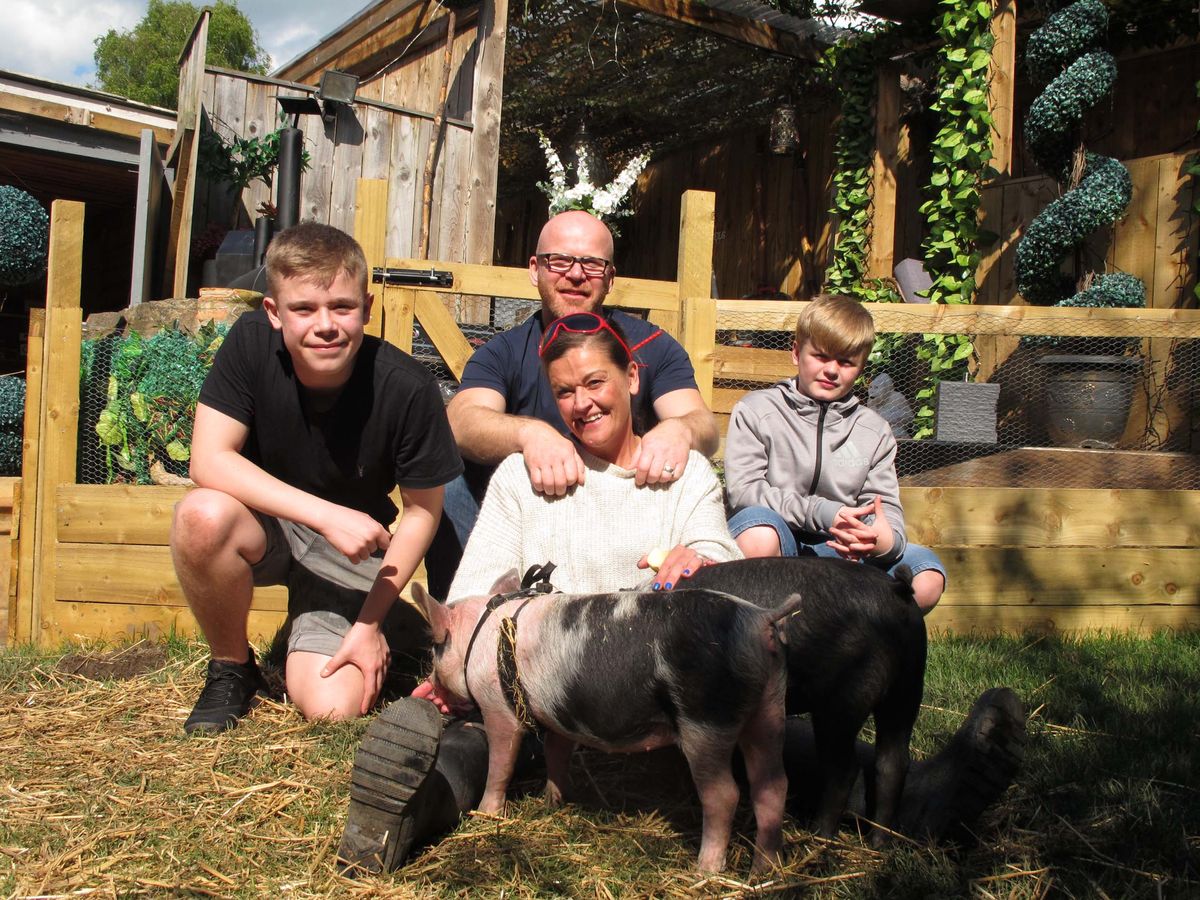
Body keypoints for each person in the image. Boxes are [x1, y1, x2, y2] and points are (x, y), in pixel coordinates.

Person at [338, 312, 1025, 874]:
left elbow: (728, 586)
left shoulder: (684, 474)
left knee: (768, 735)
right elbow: (475, 596)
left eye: (597, 382)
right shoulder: (525, 476)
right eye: (566, 391)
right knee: (481, 733)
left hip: (661, 688)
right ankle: (408, 805)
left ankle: (917, 797)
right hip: (556, 698)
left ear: (634, 378)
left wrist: (698, 556)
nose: (583, 402)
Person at [171, 222, 462, 734]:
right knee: (201, 514)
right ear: (273, 313)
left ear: (367, 309)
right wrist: (327, 515)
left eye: (342, 307)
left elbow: (422, 512)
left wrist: (369, 624)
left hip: (352, 553)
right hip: (271, 525)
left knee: (333, 707)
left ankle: (382, 626)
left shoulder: (408, 388)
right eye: (303, 309)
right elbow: (208, 460)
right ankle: (232, 668)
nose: (324, 325)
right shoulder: (248, 346)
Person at [423, 209, 719, 598]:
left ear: (610, 278)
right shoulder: (505, 352)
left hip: (629, 512)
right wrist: (532, 434)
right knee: (446, 477)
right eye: (559, 260)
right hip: (531, 517)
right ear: (535, 269)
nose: (575, 274)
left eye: (592, 264)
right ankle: (462, 622)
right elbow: (461, 419)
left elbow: (702, 425)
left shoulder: (653, 346)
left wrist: (679, 429)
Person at [724, 294, 946, 612]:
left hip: (839, 550)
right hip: (780, 542)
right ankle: (759, 641)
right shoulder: (758, 410)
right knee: (758, 532)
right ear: (797, 353)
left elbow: (884, 508)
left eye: (845, 362)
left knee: (926, 578)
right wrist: (826, 513)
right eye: (821, 356)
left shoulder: (874, 430)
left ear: (860, 367)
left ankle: (855, 650)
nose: (831, 370)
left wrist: (881, 539)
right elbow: (745, 492)